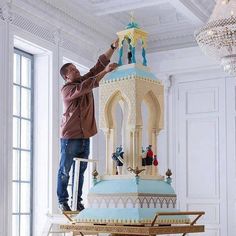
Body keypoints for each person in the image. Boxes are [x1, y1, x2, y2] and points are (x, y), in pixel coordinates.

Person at [57, 39, 119, 212]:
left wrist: (112, 48)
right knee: (65, 171)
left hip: (85, 136)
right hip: (70, 137)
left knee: (81, 171)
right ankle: (63, 201)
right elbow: (88, 84)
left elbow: (96, 67)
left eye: (76, 68)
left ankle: (77, 202)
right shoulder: (67, 89)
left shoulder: (82, 81)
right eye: (72, 70)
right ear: (66, 76)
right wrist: (105, 72)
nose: (76, 70)